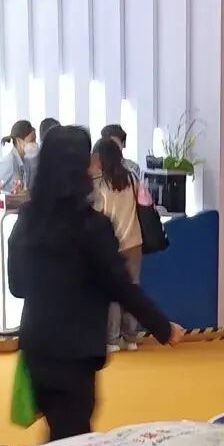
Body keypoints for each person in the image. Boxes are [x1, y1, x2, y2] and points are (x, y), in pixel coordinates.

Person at [8, 125, 184, 442]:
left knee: (60, 434)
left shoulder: (27, 220)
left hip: (38, 348)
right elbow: (121, 286)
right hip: (76, 353)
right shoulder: (92, 227)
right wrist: (162, 327)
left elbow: (17, 286)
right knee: (74, 440)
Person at [92, 136, 145, 352]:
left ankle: (112, 339)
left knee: (113, 291)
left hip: (112, 244)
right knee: (132, 288)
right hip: (134, 241)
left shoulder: (101, 184)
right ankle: (131, 338)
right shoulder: (132, 178)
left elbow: (97, 213)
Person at [0, 120, 37, 202]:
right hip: (9, 209)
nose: (35, 144)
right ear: (19, 141)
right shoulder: (8, 162)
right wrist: (12, 197)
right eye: (32, 140)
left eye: (35, 140)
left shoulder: (26, 160)